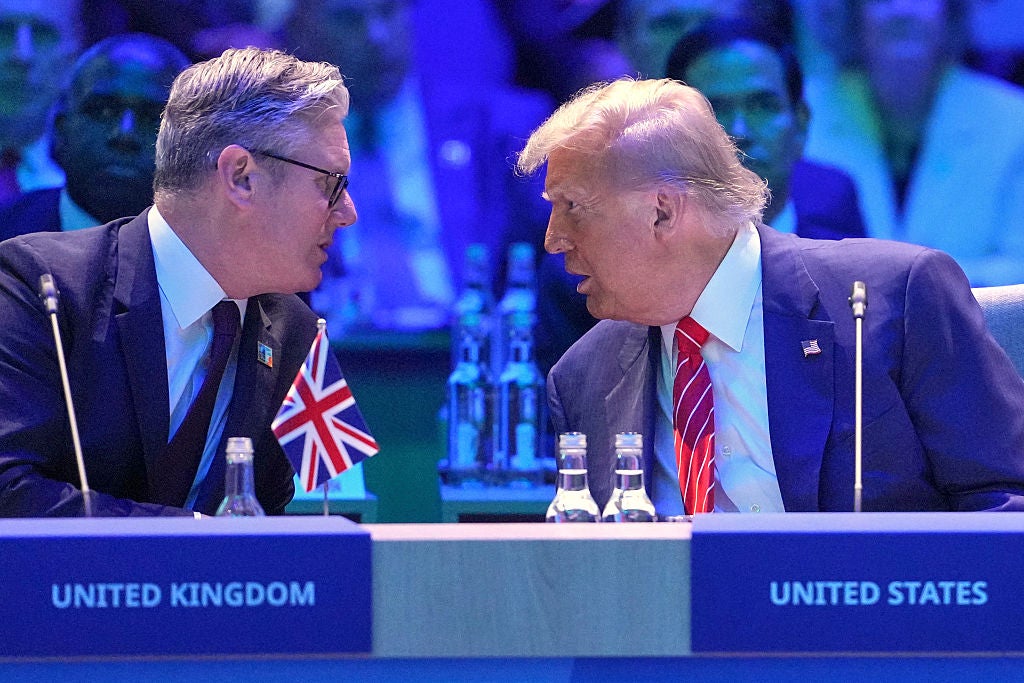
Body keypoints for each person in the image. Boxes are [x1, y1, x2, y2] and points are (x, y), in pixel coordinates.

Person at [518, 77, 1024, 515]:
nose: (552, 239)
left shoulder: (895, 296)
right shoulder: (585, 375)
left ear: (663, 213)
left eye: (572, 208)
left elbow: (1004, 498)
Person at [0, 47, 357, 517]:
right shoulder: (39, 287)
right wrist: (195, 537)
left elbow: (297, 528)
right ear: (241, 177)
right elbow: (10, 492)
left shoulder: (296, 331)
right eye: (330, 183)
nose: (348, 213)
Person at [535, 17, 866, 375]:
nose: (739, 132)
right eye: (714, 110)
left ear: (801, 123)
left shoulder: (850, 269)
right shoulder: (584, 276)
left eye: (762, 105)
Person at [287, 0, 549, 333]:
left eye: (388, 13)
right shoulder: (279, 145)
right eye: (349, 20)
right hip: (335, 359)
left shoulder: (501, 130)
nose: (377, 37)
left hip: (457, 354)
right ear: (302, 31)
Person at [803, 0, 1024, 285]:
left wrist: (911, 283)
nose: (902, 11)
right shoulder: (804, 113)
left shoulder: (1014, 119)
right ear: (852, 12)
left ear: (952, 10)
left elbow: (1020, 269)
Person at [0, 33, 190, 240]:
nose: (125, 135)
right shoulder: (6, 235)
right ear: (61, 127)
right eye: (103, 111)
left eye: (155, 118)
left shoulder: (217, 258)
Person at [0, 0, 81, 204]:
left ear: (72, 57)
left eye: (43, 34)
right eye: (3, 32)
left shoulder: (84, 195)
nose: (22, 55)